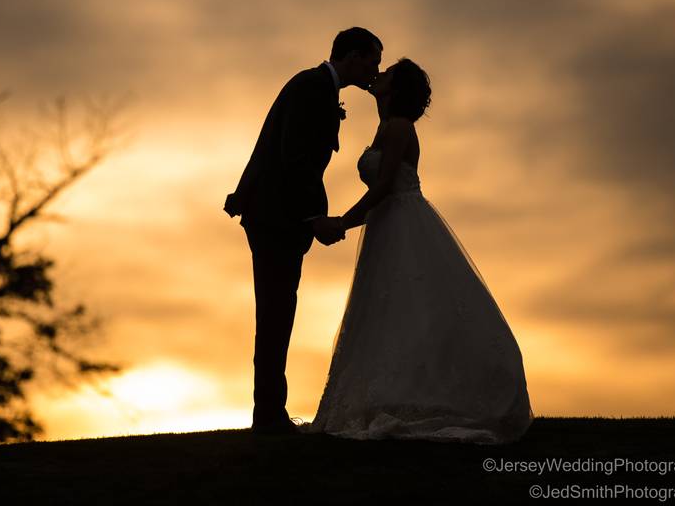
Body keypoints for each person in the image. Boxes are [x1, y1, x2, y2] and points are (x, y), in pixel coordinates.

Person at [306, 58, 533, 443]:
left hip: (403, 224)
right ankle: (390, 394)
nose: (379, 76)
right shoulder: (386, 127)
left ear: (395, 89)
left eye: (387, 74)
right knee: (388, 313)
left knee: (407, 309)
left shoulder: (397, 128)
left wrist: (341, 221)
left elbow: (384, 189)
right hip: (388, 225)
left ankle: (420, 397)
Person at [224, 27, 383, 435]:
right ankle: (269, 415)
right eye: (372, 60)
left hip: (278, 215)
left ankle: (270, 412)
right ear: (350, 56)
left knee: (279, 311)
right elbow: (293, 156)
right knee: (276, 312)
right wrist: (314, 217)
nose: (375, 70)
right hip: (275, 216)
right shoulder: (311, 86)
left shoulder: (316, 88)